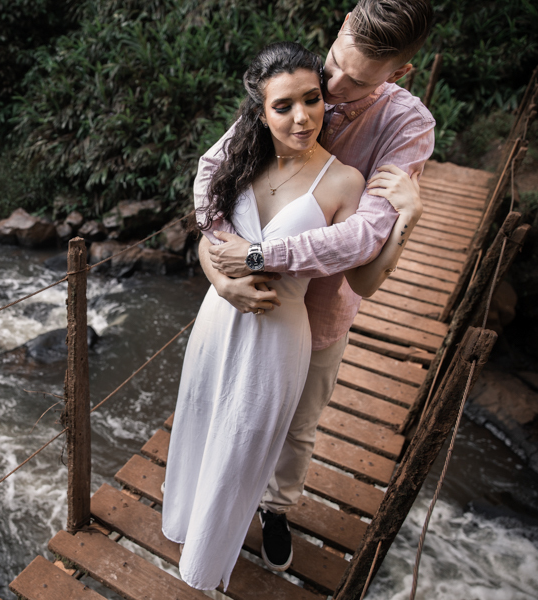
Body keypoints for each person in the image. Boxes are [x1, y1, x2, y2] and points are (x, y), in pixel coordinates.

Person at [160, 40, 421, 591]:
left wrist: (404, 221)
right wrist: (222, 278)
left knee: (253, 437)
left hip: (284, 334)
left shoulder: (347, 180)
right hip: (217, 316)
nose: (303, 116)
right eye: (284, 106)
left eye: (312, 100)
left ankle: (225, 548)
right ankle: (184, 521)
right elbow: (209, 221)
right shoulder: (241, 156)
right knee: (202, 416)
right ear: (260, 111)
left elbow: (363, 275)